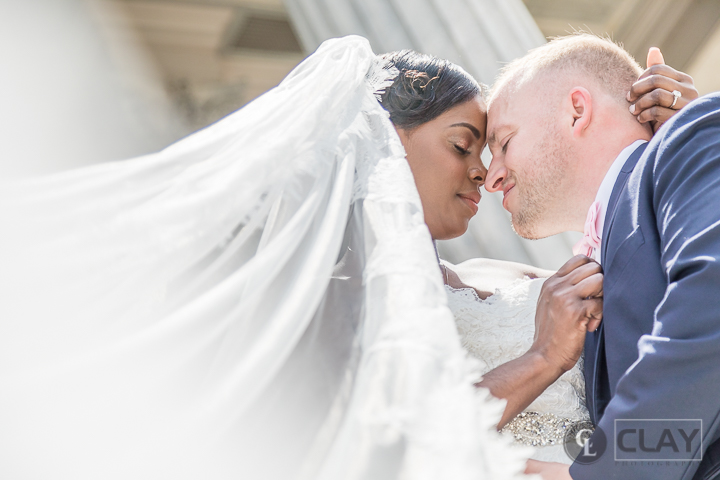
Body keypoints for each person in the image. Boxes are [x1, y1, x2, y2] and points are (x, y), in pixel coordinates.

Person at [0, 35, 692, 479]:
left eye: (491, 150)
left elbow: (661, 311)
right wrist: (540, 359)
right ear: (384, 141)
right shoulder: (321, 289)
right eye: (463, 145)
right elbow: (362, 441)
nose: (485, 172)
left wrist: (669, 140)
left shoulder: (510, 275)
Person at [484, 33, 720, 479]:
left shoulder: (694, 135)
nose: (491, 177)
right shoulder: (578, 289)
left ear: (577, 110)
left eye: (504, 143)